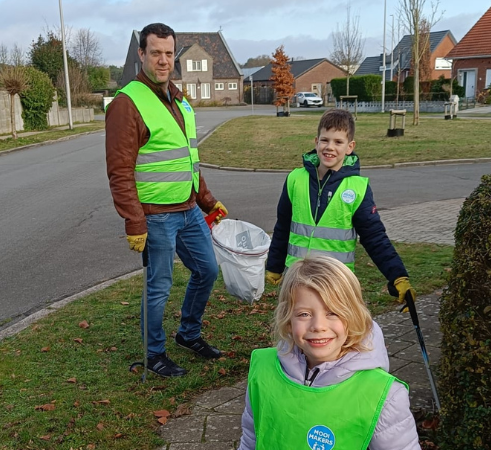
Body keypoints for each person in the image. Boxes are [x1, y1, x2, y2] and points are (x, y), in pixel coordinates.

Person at [105, 22, 228, 378]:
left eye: (169, 53)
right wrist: (134, 221)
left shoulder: (179, 99)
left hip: (188, 211)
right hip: (155, 216)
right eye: (155, 52)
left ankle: (188, 334)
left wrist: (207, 201)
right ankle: (153, 354)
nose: (163, 60)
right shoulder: (128, 104)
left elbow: (188, 160)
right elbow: (119, 170)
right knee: (159, 287)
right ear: (141, 54)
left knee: (207, 270)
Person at [239, 256, 420, 450]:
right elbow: (251, 437)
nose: (318, 326)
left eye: (333, 312)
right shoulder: (263, 371)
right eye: (304, 314)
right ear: (288, 320)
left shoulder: (383, 395)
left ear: (354, 317)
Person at [264, 108, 416, 306]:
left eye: (338, 142)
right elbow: (283, 226)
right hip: (297, 279)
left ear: (349, 147)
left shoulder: (357, 188)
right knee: (297, 333)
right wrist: (275, 265)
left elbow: (374, 237)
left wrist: (398, 276)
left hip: (335, 282)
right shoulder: (295, 179)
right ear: (316, 141)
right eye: (325, 140)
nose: (330, 147)